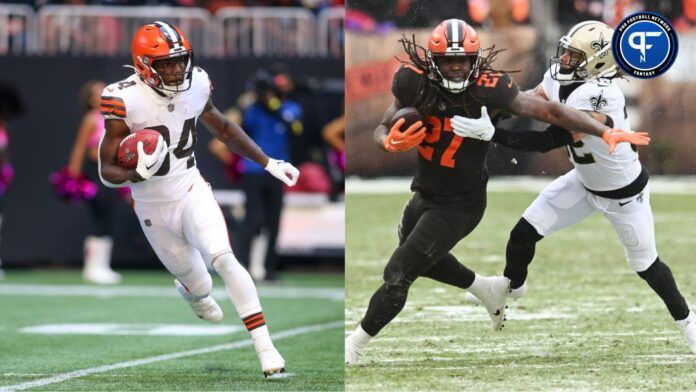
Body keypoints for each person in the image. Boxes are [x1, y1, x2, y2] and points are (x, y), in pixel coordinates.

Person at [344, 18, 650, 365]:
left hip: (461, 203)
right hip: (425, 191)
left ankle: (354, 345)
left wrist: (602, 130)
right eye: (449, 60)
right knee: (421, 260)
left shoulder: (491, 88)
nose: (457, 68)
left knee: (398, 271)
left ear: (476, 60)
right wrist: (387, 140)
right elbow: (385, 123)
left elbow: (549, 110)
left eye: (464, 60)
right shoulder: (411, 81)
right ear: (433, 60)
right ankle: (485, 288)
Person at [453, 21, 696, 354]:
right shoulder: (558, 76)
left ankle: (689, 324)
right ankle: (513, 286)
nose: (564, 58)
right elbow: (528, 102)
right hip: (583, 182)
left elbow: (552, 139)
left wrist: (493, 134)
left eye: (573, 54)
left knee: (646, 266)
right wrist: (490, 113)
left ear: (596, 61)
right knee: (523, 234)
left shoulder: (601, 95)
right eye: (565, 51)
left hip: (624, 196)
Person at [97, 21, 299, 377]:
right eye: (167, 63)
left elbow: (222, 127)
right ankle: (193, 291)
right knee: (201, 285)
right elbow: (106, 171)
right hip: (151, 206)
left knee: (223, 257)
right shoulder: (123, 97)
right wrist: (135, 173)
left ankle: (265, 347)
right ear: (144, 64)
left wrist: (269, 163)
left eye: (181, 60)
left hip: (190, 188)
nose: (177, 69)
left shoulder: (197, 83)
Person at [236, 69, 303, 282]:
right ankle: (243, 266)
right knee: (253, 220)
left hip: (278, 172)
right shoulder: (250, 111)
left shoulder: (290, 109)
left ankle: (269, 267)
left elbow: (296, 129)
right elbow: (232, 126)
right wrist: (243, 104)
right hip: (254, 171)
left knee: (274, 221)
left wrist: (273, 105)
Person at [67, 80, 122, 285]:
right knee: (98, 216)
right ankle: (92, 267)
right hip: (94, 171)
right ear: (91, 99)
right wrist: (73, 174)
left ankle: (102, 266)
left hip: (111, 170)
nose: (103, 94)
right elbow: (80, 147)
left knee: (108, 215)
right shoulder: (91, 119)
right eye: (98, 92)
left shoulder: (114, 118)